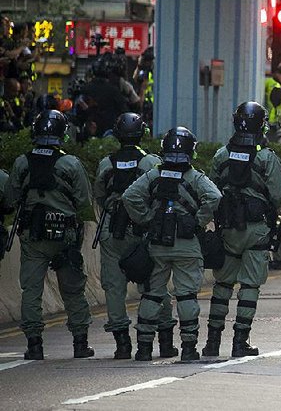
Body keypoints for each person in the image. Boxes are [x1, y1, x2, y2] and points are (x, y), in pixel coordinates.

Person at [122, 127, 222, 361]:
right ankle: (188, 348)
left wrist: (147, 218)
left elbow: (129, 197)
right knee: (186, 295)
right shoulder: (194, 177)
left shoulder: (154, 175)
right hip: (187, 244)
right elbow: (215, 197)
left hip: (157, 244)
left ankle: (144, 348)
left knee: (152, 295)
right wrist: (197, 221)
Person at [5, 110, 95, 360]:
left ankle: (34, 345)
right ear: (61, 134)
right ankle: (80, 343)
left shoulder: (22, 162)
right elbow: (83, 201)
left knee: (31, 290)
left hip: (33, 237)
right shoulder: (71, 164)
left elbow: (10, 200)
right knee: (73, 289)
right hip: (64, 236)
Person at [203, 102, 281, 357]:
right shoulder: (266, 157)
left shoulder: (222, 154)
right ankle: (240, 342)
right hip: (257, 228)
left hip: (227, 228)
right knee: (250, 286)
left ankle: (212, 342)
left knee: (223, 284)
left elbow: (211, 187)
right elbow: (278, 193)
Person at [94, 113, 177, 360]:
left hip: (112, 230)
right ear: (143, 132)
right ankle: (164, 341)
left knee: (113, 287)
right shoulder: (151, 162)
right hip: (143, 231)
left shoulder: (106, 164)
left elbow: (99, 195)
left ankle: (122, 345)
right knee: (154, 285)